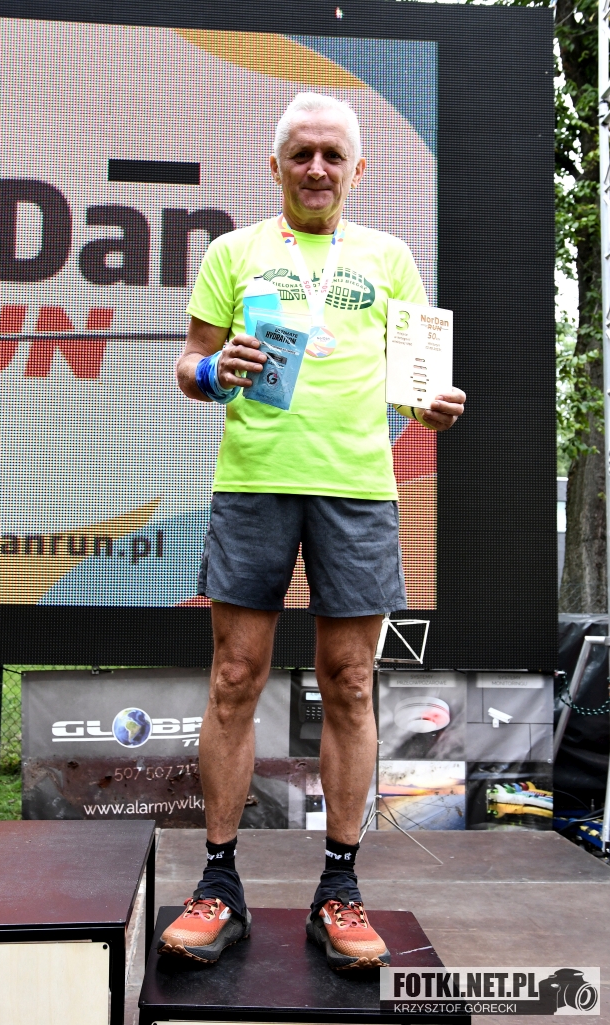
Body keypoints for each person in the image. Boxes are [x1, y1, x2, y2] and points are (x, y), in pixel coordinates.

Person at [158, 92, 466, 971]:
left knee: (350, 684)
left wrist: (432, 407)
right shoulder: (233, 252)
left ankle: (339, 885)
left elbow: (418, 386)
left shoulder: (389, 258)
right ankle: (219, 881)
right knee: (233, 678)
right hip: (253, 484)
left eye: (333, 154)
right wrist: (215, 371)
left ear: (357, 169)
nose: (317, 168)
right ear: (276, 165)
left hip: (357, 492)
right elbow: (188, 364)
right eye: (301, 153)